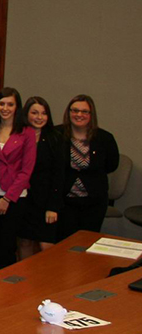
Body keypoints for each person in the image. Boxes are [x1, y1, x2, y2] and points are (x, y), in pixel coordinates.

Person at [0, 88, 36, 273]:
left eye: (10, 104)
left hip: (14, 197)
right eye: (1, 104)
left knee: (6, 249)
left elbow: (27, 170)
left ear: (17, 107)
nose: (5, 108)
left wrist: (7, 199)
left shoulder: (27, 132)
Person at [56, 95, 119, 240]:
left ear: (91, 115)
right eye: (75, 110)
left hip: (94, 203)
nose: (79, 115)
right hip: (65, 202)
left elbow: (112, 165)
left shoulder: (104, 138)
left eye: (84, 111)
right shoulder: (57, 135)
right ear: (68, 112)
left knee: (88, 243)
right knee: (64, 245)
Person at [18, 97, 66, 258]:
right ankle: (23, 280)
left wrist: (53, 207)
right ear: (26, 114)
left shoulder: (55, 138)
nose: (39, 117)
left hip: (46, 201)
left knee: (46, 245)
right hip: (24, 199)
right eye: (35, 113)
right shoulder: (19, 136)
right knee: (24, 242)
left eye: (44, 113)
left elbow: (59, 174)